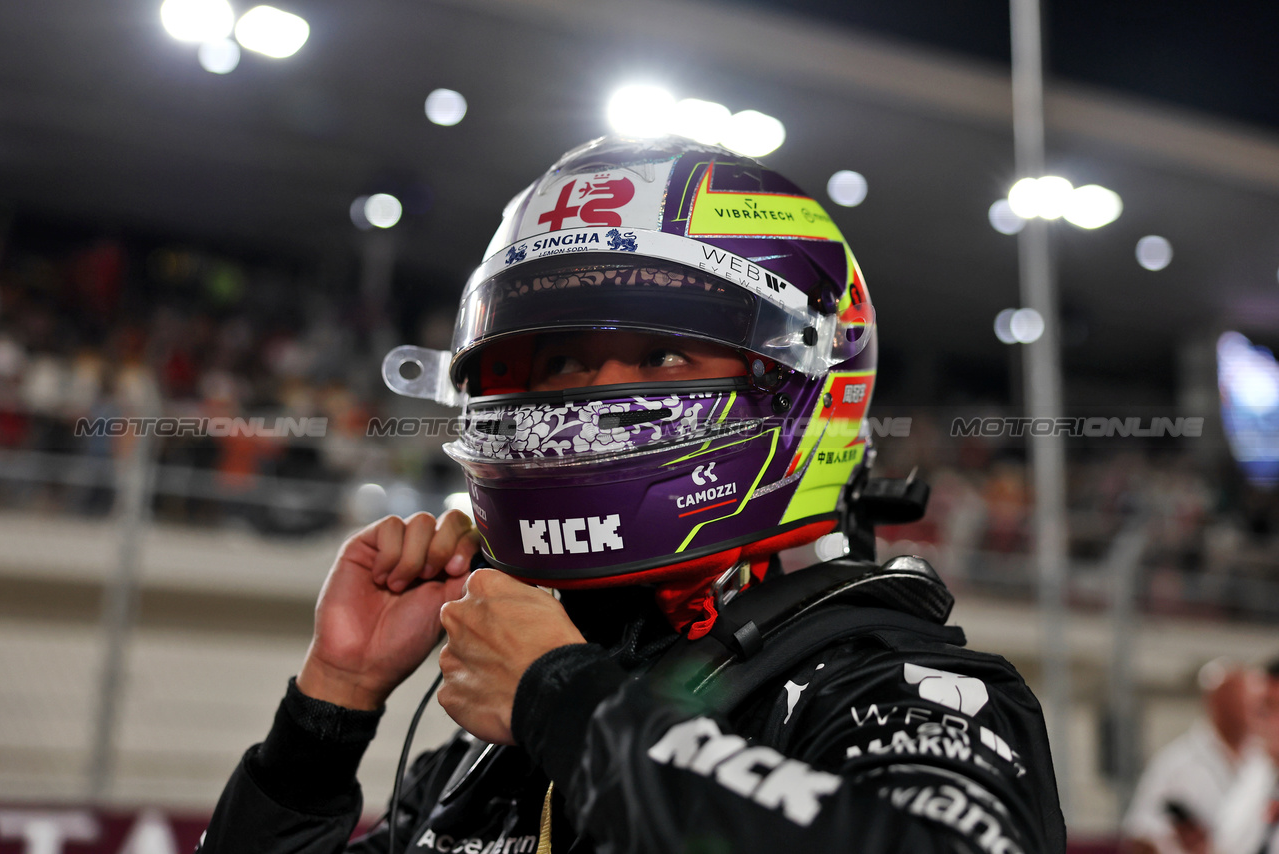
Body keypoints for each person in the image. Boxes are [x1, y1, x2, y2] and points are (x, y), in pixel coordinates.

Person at [197, 135, 1066, 853]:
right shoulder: (484, 758)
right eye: (563, 362)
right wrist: (328, 710)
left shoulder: (899, 694)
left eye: (662, 356)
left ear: (805, 382)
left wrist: (561, 699)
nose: (589, 400)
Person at [1122, 659, 1264, 854]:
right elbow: (1140, 836)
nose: (1247, 706)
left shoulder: (1264, 761)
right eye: (1236, 697)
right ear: (1213, 701)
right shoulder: (1174, 764)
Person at [1212, 657, 1279, 854]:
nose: (1258, 720)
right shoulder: (1255, 773)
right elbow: (1228, 842)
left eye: (1271, 705)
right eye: (1254, 707)